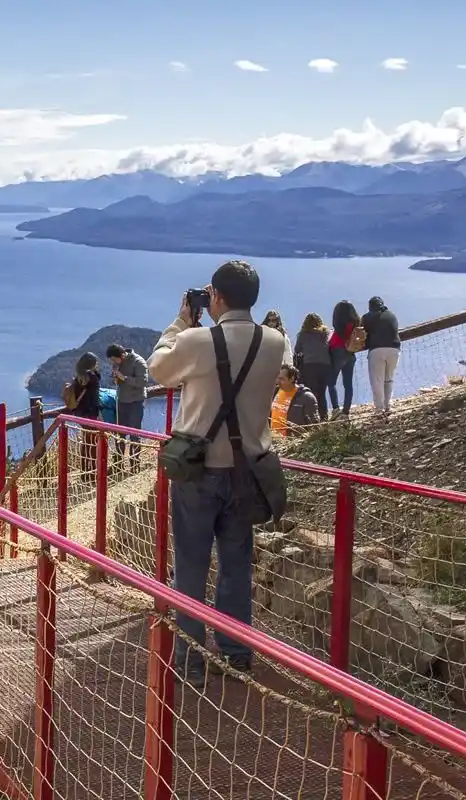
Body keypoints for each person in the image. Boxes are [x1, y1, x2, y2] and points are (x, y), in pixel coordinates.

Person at [147, 260, 284, 686]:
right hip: (248, 472)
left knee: (190, 565)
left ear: (217, 298)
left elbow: (158, 368)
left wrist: (181, 320)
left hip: (198, 472)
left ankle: (190, 661)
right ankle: (236, 654)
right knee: (236, 564)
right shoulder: (275, 341)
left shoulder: (196, 340)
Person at [106, 343, 148, 464]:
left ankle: (135, 463)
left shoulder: (139, 362)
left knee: (135, 434)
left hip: (136, 402)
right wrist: (115, 379)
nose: (114, 362)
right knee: (120, 433)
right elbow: (117, 381)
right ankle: (118, 462)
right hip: (122, 400)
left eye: (115, 360)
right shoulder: (117, 364)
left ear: (122, 355)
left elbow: (143, 382)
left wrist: (124, 378)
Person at [362, 296, 401, 419]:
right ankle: (388, 406)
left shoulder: (368, 317)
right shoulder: (391, 315)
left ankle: (379, 410)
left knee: (377, 380)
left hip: (377, 350)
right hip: (394, 349)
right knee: (389, 379)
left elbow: (362, 333)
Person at [65, 352, 102, 477]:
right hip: (90, 413)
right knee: (92, 443)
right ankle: (92, 473)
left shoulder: (78, 377)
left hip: (80, 413)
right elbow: (97, 378)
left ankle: (85, 471)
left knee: (86, 442)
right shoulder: (92, 376)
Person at [293, 313, 332, 421]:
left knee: (313, 392)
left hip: (310, 365)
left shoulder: (303, 334)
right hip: (325, 365)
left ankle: (314, 417)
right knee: (322, 392)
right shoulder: (325, 333)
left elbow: (297, 350)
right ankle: (324, 416)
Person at [328, 301, 362, 419]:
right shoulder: (355, 323)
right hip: (350, 354)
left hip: (337, 351)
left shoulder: (339, 325)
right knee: (348, 384)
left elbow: (333, 341)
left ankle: (336, 409)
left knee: (331, 382)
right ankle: (346, 411)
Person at [270, 365, 320, 437]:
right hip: (273, 441)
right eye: (277, 378)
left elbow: (315, 426)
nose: (278, 382)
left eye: (282, 379)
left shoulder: (306, 398)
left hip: (291, 443)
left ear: (292, 378)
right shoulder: (275, 391)